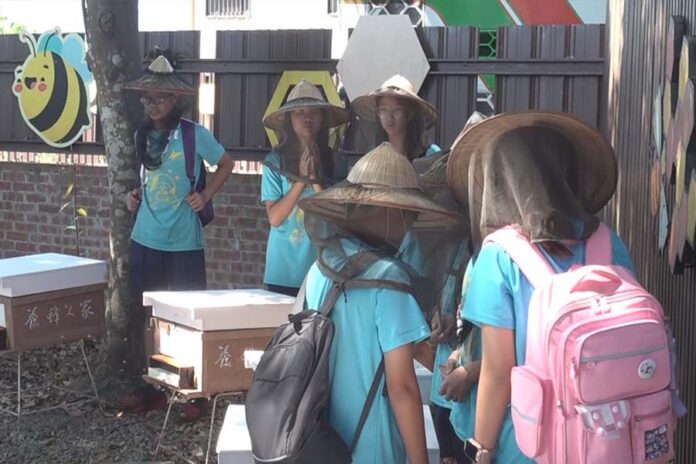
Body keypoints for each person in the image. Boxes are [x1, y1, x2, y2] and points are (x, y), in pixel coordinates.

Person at [445, 112, 635, 463]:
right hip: (611, 440)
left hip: (526, 447)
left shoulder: (499, 256)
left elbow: (498, 372)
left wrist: (481, 449)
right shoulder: (611, 244)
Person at [298, 142, 463, 464]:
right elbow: (402, 387)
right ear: (386, 211)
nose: (409, 225)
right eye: (406, 214)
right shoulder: (389, 279)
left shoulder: (321, 266)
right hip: (374, 446)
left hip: (320, 442)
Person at [122, 55, 234, 416]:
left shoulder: (193, 134)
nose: (153, 105)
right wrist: (132, 196)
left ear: (175, 99)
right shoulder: (141, 135)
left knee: (188, 316)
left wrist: (207, 194)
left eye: (161, 98)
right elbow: (147, 180)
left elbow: (227, 163)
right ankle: (153, 386)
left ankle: (194, 393)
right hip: (145, 237)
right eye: (147, 98)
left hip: (184, 240)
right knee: (149, 316)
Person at [260, 80, 349, 297]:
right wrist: (301, 180)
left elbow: (337, 218)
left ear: (322, 118)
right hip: (282, 270)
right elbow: (274, 217)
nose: (306, 117)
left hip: (323, 268)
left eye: (313, 112)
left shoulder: (336, 161)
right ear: (289, 119)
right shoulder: (274, 161)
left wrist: (315, 179)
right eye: (299, 112)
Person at [352, 74, 440, 161]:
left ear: (410, 113)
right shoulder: (375, 158)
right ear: (378, 112)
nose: (389, 117)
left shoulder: (430, 154)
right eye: (384, 110)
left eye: (397, 110)